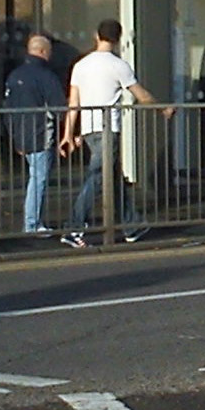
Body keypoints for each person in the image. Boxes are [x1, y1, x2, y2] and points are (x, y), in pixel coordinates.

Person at [58, 19, 167, 247]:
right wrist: (163, 108)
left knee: (113, 179)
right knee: (97, 178)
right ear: (118, 39)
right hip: (108, 130)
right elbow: (142, 96)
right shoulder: (119, 66)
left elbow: (73, 103)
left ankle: (131, 225)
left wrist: (68, 134)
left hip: (89, 130)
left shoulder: (81, 65)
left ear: (96, 36)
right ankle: (74, 228)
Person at [2, 32, 68, 235]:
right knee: (38, 179)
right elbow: (59, 107)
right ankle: (32, 223)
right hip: (41, 133)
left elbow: (8, 109)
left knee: (35, 176)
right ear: (42, 51)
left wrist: (14, 137)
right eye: (48, 52)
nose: (50, 55)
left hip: (22, 134)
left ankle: (33, 221)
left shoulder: (15, 76)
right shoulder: (46, 76)